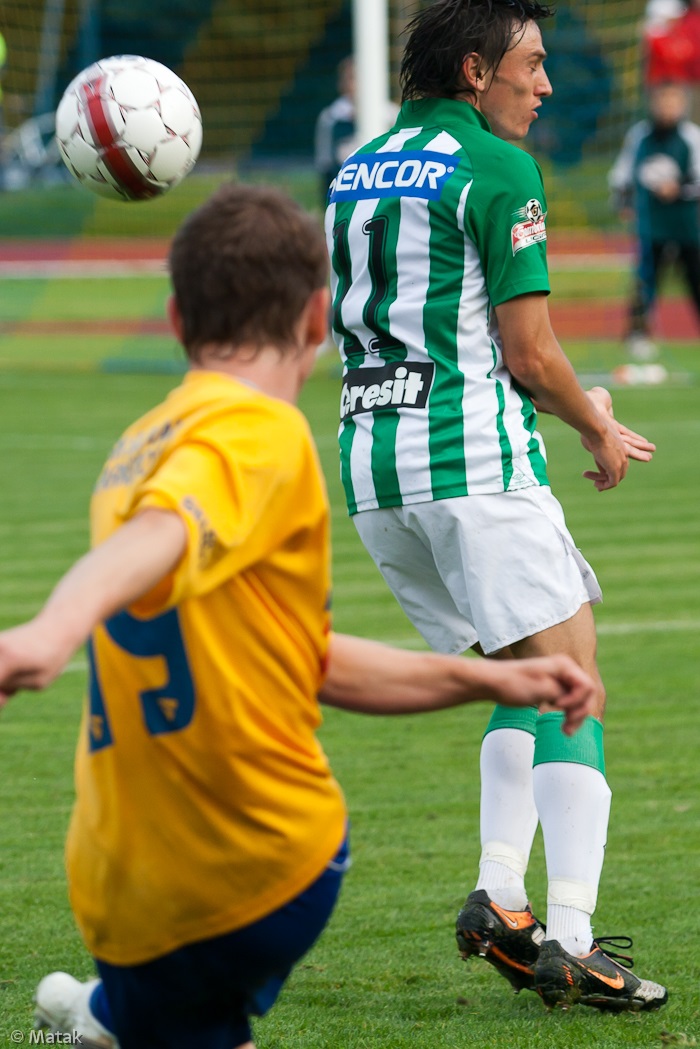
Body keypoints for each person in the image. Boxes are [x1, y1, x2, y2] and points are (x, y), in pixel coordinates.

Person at [0, 183, 598, 1049]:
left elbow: (295, 654)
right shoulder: (259, 432)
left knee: (178, 1015)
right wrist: (49, 632)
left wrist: (489, 677)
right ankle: (102, 1014)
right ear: (322, 318)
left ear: (174, 318)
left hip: (133, 864)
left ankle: (106, 1013)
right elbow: (168, 533)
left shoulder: (138, 444)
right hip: (245, 858)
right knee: (169, 1018)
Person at [325, 0, 667, 1014]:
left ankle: (500, 897)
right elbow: (525, 354)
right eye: (533, 62)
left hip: (376, 474)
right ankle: (570, 937)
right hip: (471, 461)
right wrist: (594, 424)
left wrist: (572, 397)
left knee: (517, 680)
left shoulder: (356, 167)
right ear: (475, 70)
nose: (546, 83)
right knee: (572, 683)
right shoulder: (499, 168)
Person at [609, 81, 700, 359]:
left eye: (673, 101)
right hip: (652, 228)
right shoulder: (640, 136)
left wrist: (679, 187)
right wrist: (623, 202)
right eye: (662, 101)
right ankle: (638, 338)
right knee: (645, 282)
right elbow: (622, 174)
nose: (667, 107)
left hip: (688, 228)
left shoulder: (691, 137)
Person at [314, 56, 399, 207]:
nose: (356, 84)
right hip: (347, 196)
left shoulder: (391, 115)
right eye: (351, 78)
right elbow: (325, 163)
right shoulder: (331, 117)